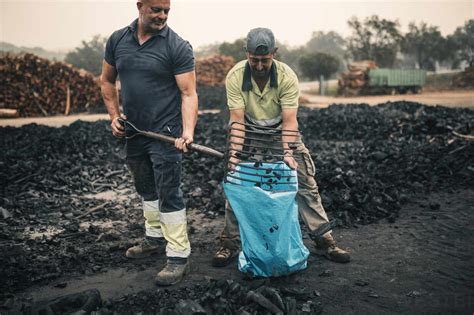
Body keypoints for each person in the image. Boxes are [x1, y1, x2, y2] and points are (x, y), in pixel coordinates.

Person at [213, 27, 351, 267]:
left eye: (264, 60)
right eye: (254, 59)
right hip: (250, 132)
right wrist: (235, 155)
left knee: (305, 184)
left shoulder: (287, 76)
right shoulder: (235, 75)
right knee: (238, 183)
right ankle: (229, 243)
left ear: (274, 54)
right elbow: (236, 119)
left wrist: (287, 152)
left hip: (282, 132)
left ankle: (324, 240)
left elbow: (289, 120)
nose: (258, 65)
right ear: (246, 54)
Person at [99, 0, 198, 286]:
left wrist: (187, 132)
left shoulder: (177, 46)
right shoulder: (118, 40)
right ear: (140, 6)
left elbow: (189, 93)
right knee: (146, 188)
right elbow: (106, 81)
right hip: (133, 131)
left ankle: (179, 256)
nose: (162, 16)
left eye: (167, 10)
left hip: (166, 134)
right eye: (156, 9)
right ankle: (154, 239)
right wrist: (115, 117)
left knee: (169, 192)